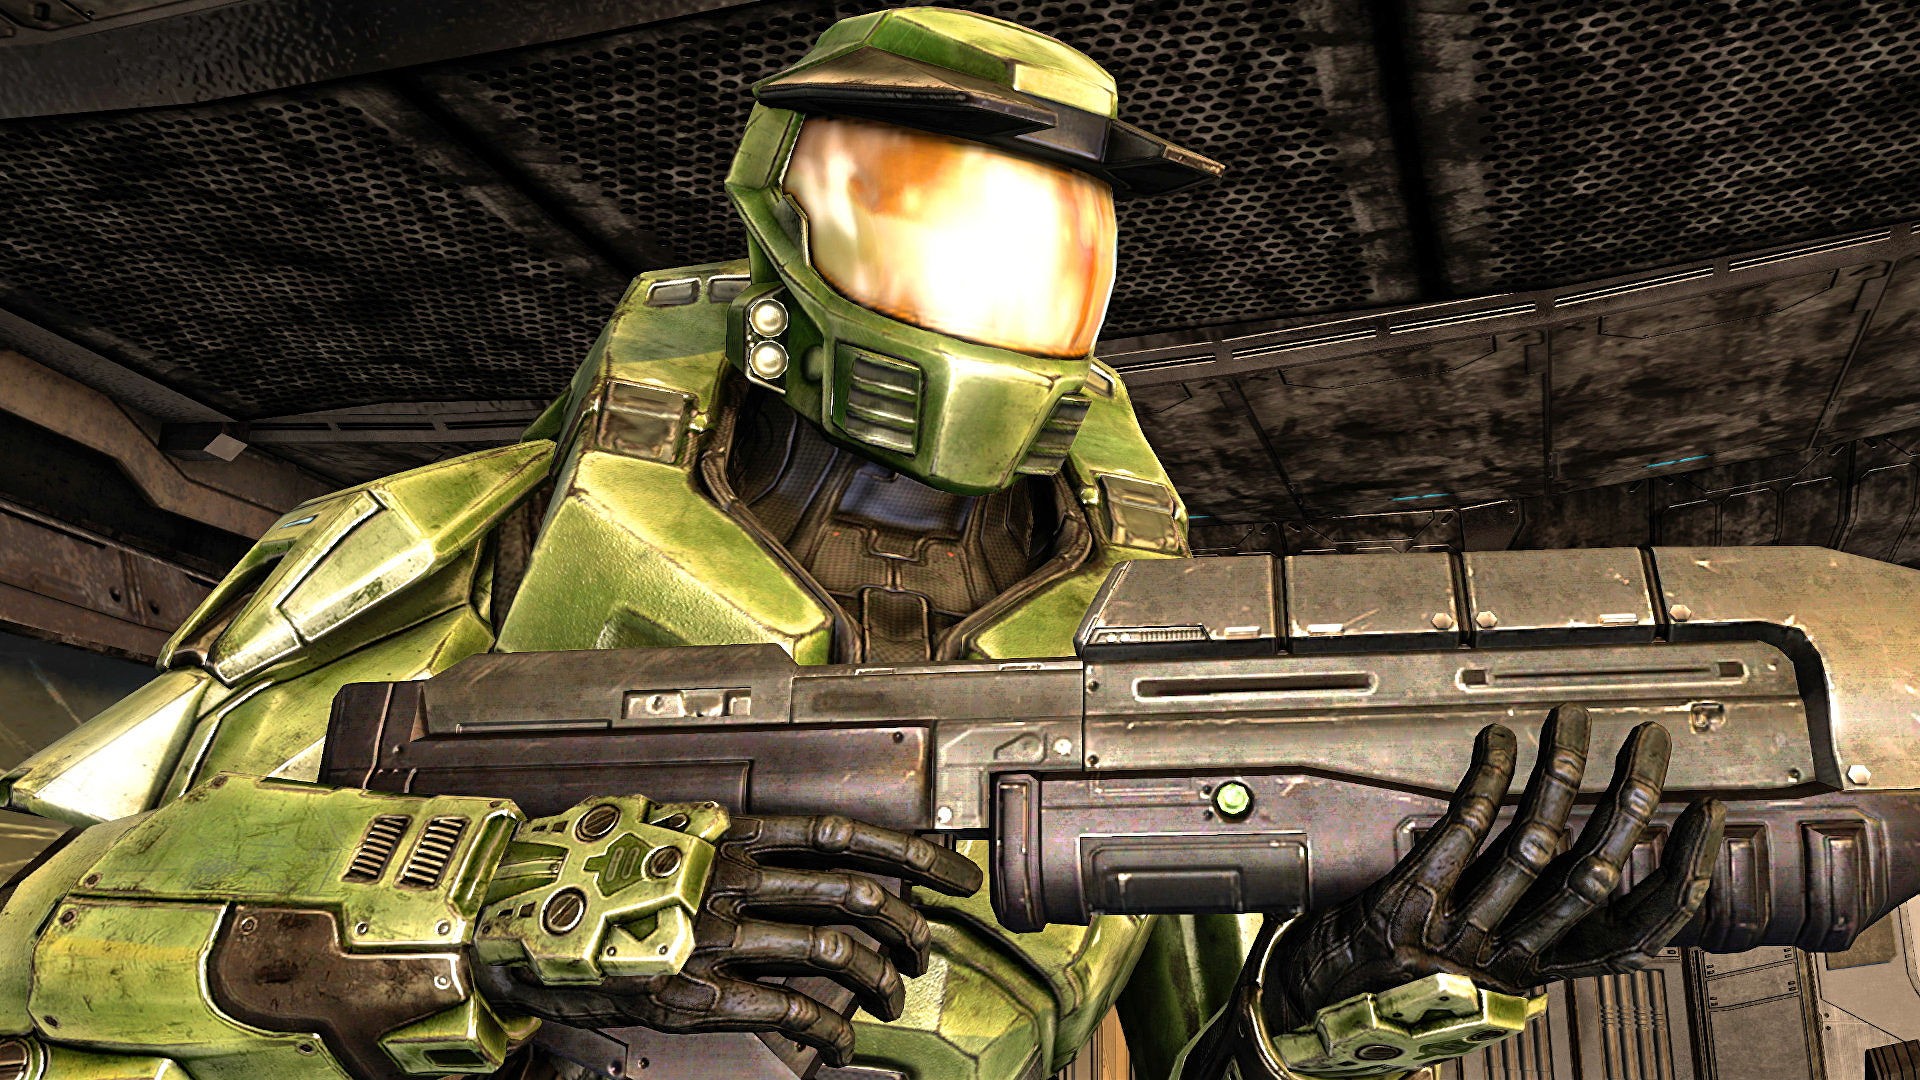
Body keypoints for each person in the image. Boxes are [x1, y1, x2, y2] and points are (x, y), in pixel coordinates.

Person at [0, 9, 1721, 1080]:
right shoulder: (466, 547)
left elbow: (1210, 1053)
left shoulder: (1160, 637)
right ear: (781, 214)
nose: (999, 287)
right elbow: (36, 903)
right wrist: (509, 905)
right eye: (931, 214)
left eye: (1057, 241)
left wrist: (1345, 1004)